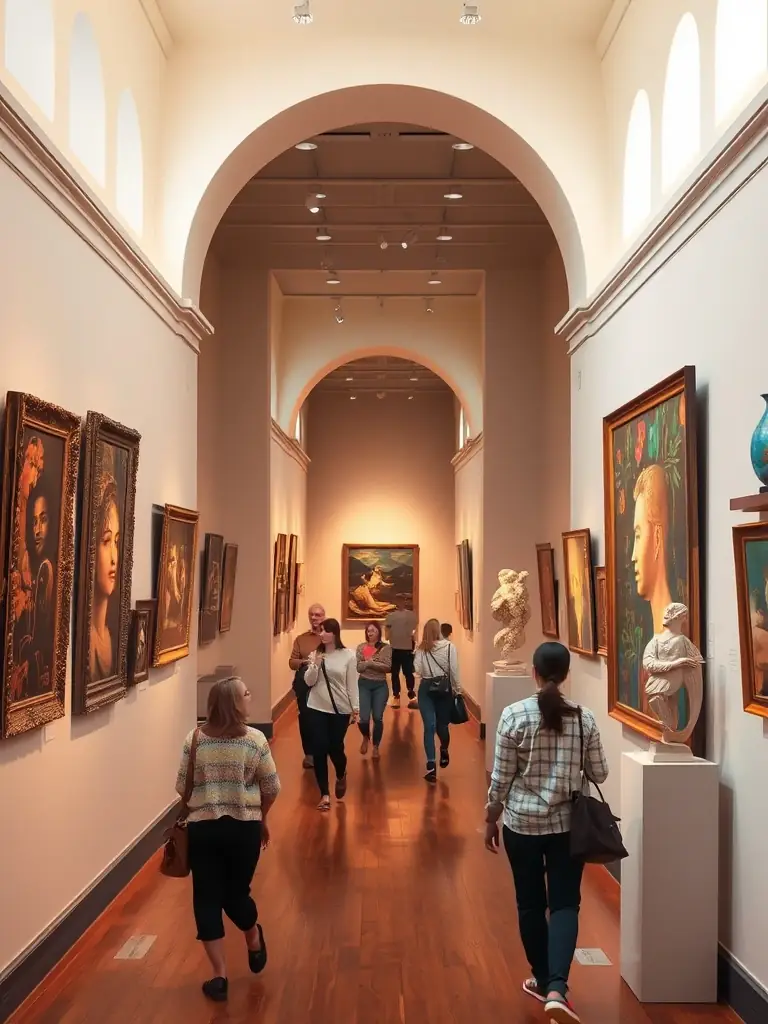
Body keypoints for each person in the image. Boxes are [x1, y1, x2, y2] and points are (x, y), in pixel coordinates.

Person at [484, 641, 608, 1024]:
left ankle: (540, 979)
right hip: (568, 826)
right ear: (567, 674)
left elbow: (501, 777)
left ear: (534, 673)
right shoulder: (584, 718)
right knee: (566, 904)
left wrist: (491, 816)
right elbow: (599, 773)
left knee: (530, 904)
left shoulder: (513, 715)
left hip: (522, 824)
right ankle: (557, 988)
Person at [175, 677, 281, 1003]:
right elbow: (272, 786)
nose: (251, 697)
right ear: (234, 703)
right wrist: (261, 816)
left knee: (207, 896)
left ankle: (220, 973)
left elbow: (182, 786)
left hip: (203, 829)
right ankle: (249, 939)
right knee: (236, 894)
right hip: (244, 828)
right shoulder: (255, 740)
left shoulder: (194, 739)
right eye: (246, 694)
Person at [305, 617, 359, 811]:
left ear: (334, 633)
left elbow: (352, 684)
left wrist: (356, 708)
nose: (322, 634)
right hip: (317, 706)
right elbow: (309, 682)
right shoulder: (315, 654)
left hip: (340, 709)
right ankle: (324, 794)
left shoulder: (348, 655)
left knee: (335, 747)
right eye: (320, 631)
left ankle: (341, 772)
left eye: (325, 631)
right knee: (319, 748)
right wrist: (315, 665)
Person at [413, 618, 461, 782]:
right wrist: (458, 690)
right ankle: (432, 764)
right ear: (439, 630)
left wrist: (418, 653)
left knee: (436, 726)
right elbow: (453, 671)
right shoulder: (450, 647)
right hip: (444, 688)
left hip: (427, 688)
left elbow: (417, 671)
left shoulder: (422, 649)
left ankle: (442, 750)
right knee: (434, 725)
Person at [288, 602, 326, 768]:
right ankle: (309, 754)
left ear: (324, 617)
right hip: (304, 684)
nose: (314, 618)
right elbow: (292, 661)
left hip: (324, 684)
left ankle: (322, 751)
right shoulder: (301, 639)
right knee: (306, 719)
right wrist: (306, 662)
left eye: (318, 615)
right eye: (312, 614)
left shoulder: (329, 638)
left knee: (322, 718)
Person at [355, 622, 392, 758]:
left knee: (377, 717)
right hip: (364, 684)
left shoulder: (386, 648)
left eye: (373, 630)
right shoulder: (361, 647)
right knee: (363, 718)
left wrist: (369, 663)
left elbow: (387, 667)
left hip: (380, 686)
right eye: (368, 631)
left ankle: (376, 746)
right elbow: (359, 667)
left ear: (378, 632)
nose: (370, 633)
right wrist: (375, 663)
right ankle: (366, 737)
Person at [385, 597, 417, 708]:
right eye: (399, 601)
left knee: (408, 673)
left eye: (402, 601)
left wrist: (413, 642)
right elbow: (387, 633)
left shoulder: (411, 615)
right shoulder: (391, 616)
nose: (401, 603)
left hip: (407, 649)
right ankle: (396, 696)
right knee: (395, 673)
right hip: (395, 648)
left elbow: (414, 631)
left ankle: (411, 694)